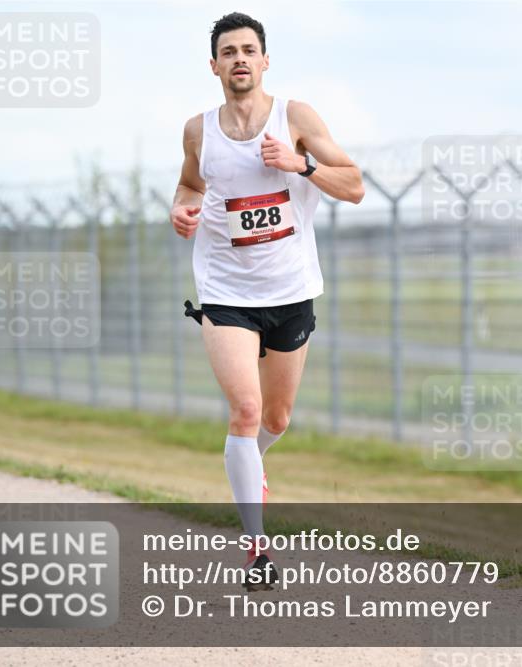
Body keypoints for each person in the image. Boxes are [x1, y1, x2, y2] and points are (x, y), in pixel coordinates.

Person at [169, 12, 364, 591]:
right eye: (228, 52)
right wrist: (179, 211)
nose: (239, 60)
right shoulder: (198, 131)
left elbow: (353, 185)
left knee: (276, 419)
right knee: (246, 412)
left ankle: (247, 465)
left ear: (265, 60)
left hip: (291, 290)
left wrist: (299, 163)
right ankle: (257, 549)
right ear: (214, 66)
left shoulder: (295, 117)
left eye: (249, 50)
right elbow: (189, 186)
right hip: (226, 291)